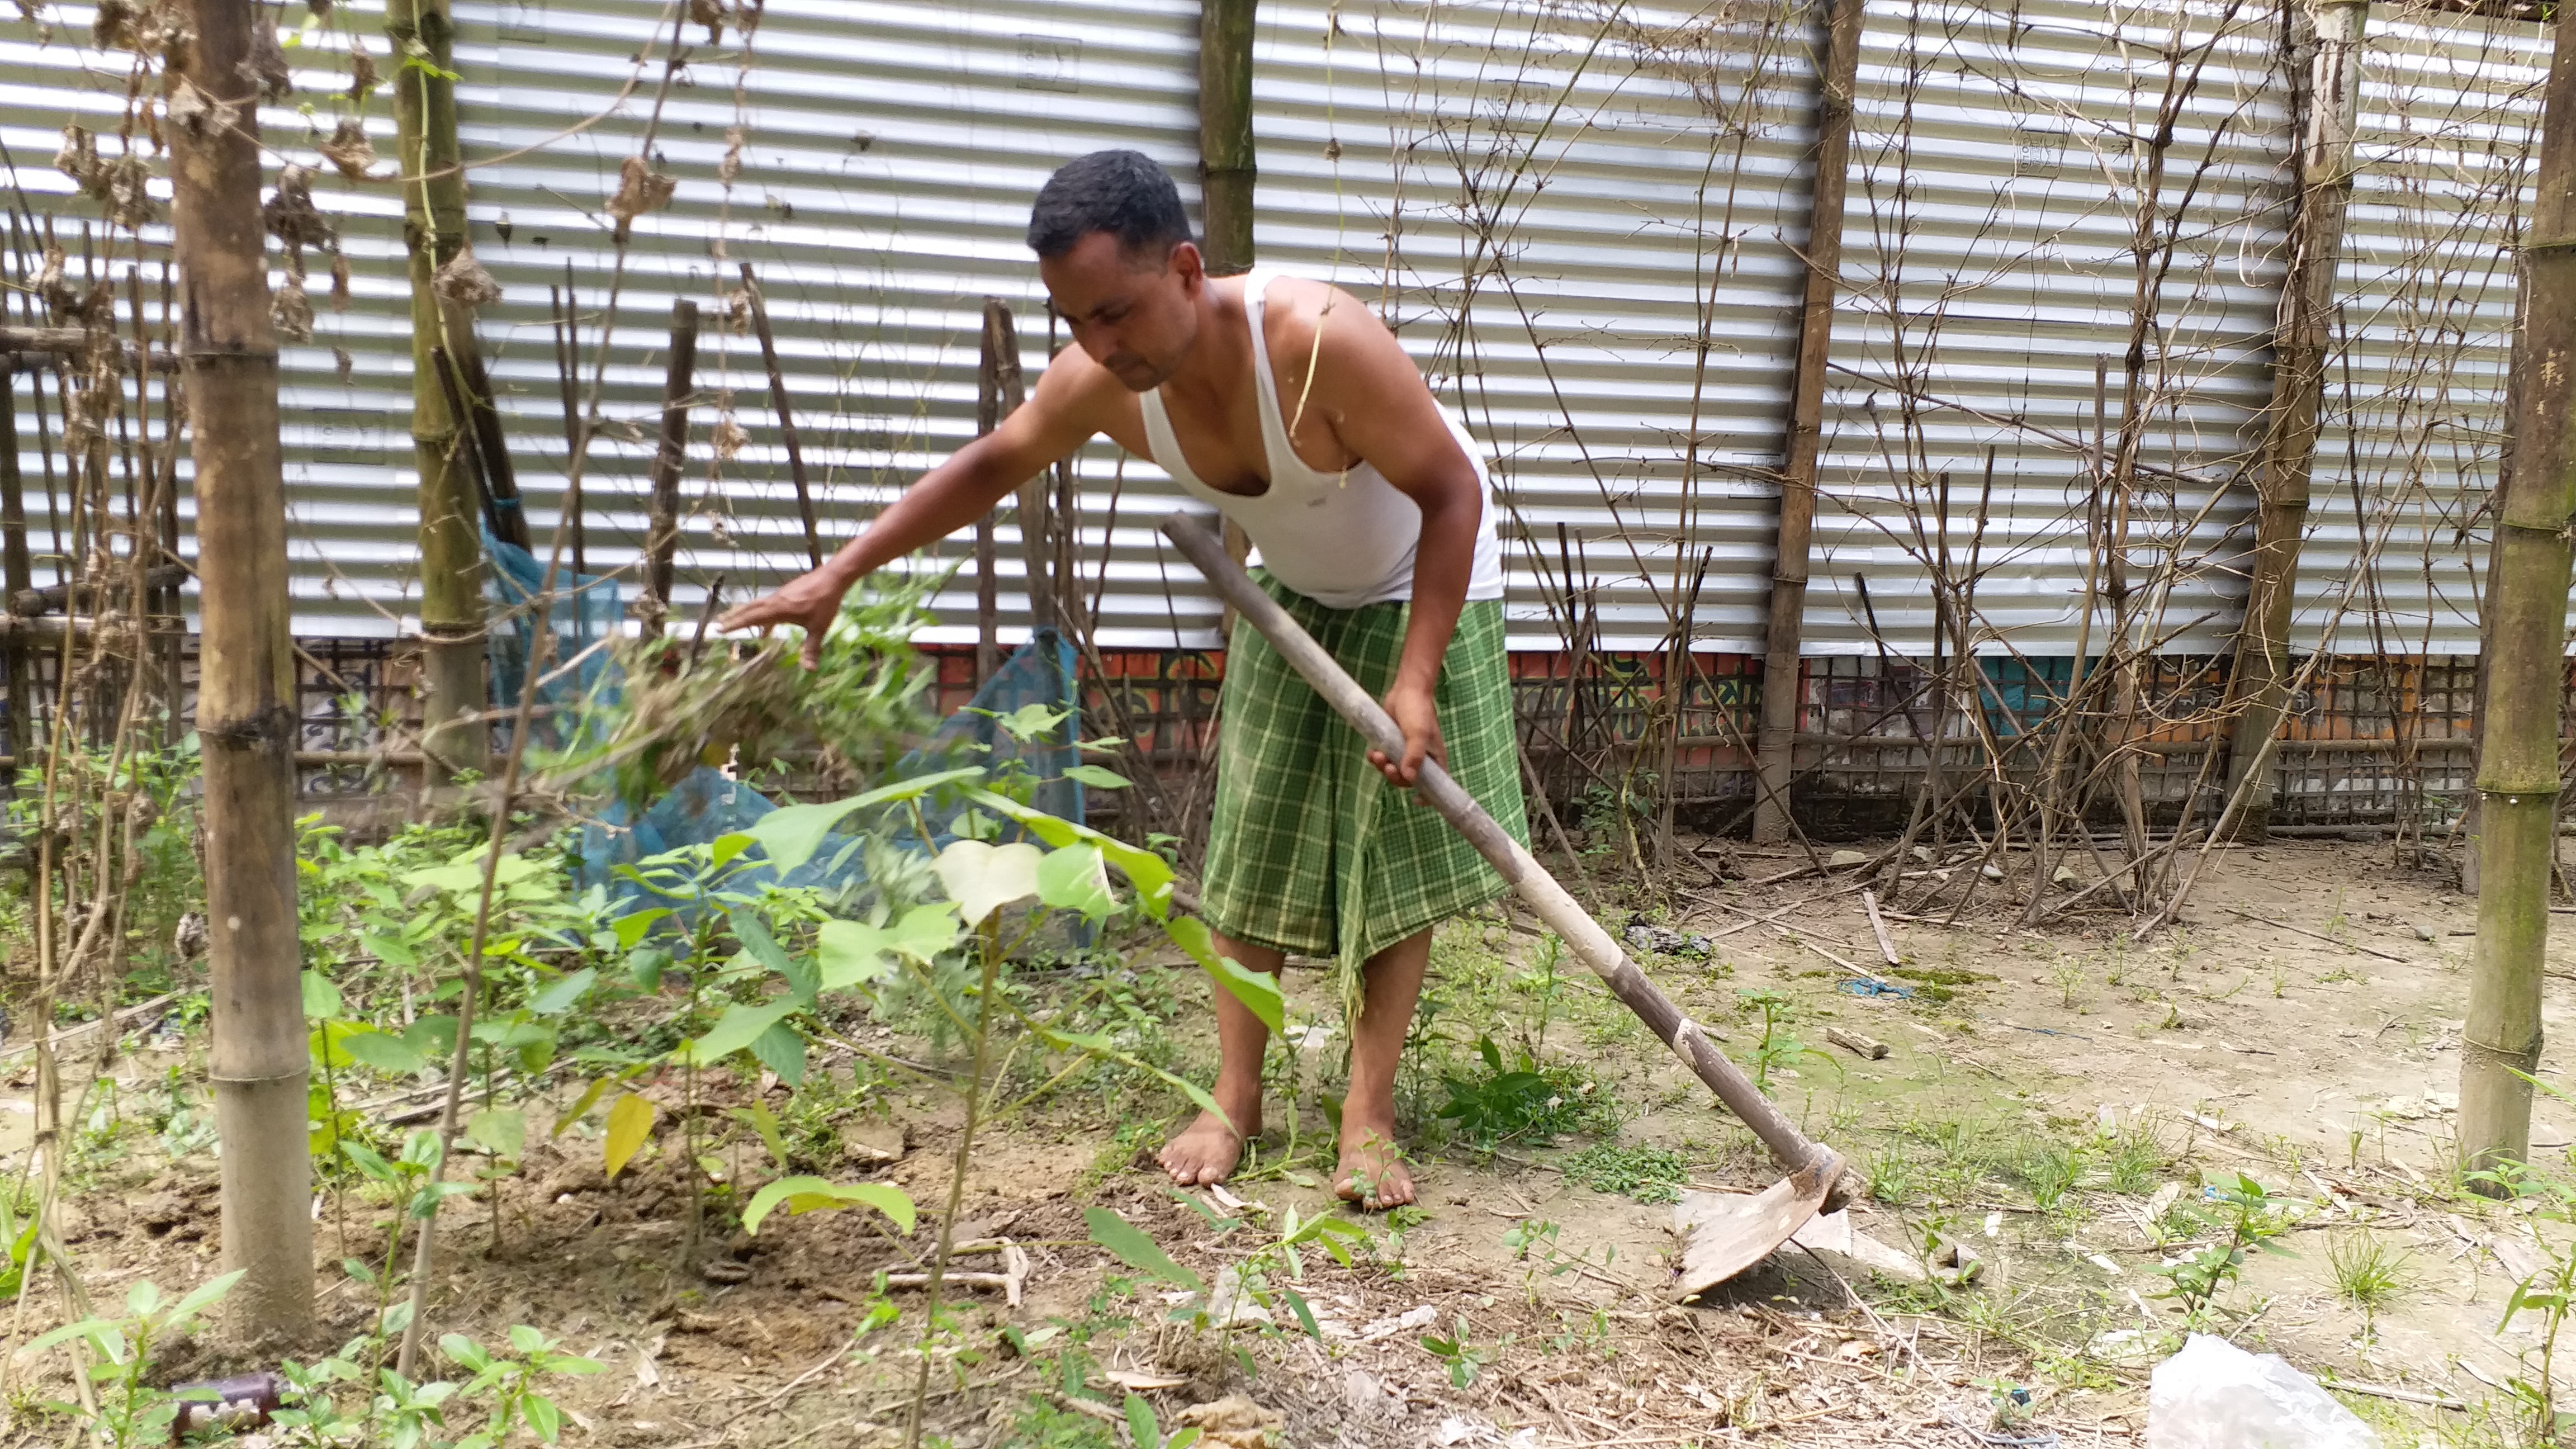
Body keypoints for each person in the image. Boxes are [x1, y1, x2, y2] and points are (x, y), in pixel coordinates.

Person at [720, 150, 1526, 1210]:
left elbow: (1451, 493)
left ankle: (1366, 1119)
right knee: (1251, 839)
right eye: (1074, 321)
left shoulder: (1319, 340)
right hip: (1297, 589)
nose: (1097, 345)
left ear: (1188, 271)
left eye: (1116, 312)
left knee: (1389, 846)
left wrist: (1416, 678)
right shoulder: (1103, 381)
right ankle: (1233, 1098)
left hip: (1423, 575)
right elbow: (990, 463)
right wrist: (840, 572)